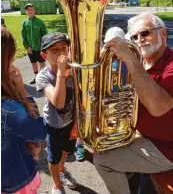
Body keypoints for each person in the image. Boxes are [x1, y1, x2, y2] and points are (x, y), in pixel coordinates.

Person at [93, 12, 173, 194]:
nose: (140, 40)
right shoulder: (142, 62)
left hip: (165, 147)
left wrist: (129, 59)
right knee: (99, 145)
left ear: (163, 34)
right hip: (141, 134)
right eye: (135, 37)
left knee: (103, 162)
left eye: (145, 33)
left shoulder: (168, 65)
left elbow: (158, 108)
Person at [1, 26, 47, 194]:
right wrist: (22, 90)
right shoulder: (9, 109)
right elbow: (39, 131)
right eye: (11, 59)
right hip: (16, 182)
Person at [76, 26, 128, 161]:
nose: (114, 51)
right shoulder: (98, 58)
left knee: (107, 125)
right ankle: (80, 145)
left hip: (115, 99)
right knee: (87, 123)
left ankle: (100, 146)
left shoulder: (128, 60)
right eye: (111, 46)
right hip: (97, 96)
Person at [36, 32, 77, 194]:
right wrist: (61, 72)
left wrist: (77, 124)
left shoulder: (74, 70)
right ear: (44, 55)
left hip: (70, 122)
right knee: (54, 157)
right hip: (54, 125)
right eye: (54, 50)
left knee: (65, 151)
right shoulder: (43, 76)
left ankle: (62, 172)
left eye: (64, 48)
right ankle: (57, 185)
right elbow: (59, 103)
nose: (61, 53)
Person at [21, 3, 48, 84]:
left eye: (31, 9)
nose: (30, 11)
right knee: (33, 62)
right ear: (26, 12)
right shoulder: (24, 23)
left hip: (40, 47)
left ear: (34, 11)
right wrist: (27, 47)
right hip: (30, 48)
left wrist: (43, 47)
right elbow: (23, 37)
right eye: (28, 10)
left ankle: (43, 77)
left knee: (41, 62)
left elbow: (45, 35)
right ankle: (36, 76)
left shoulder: (40, 22)